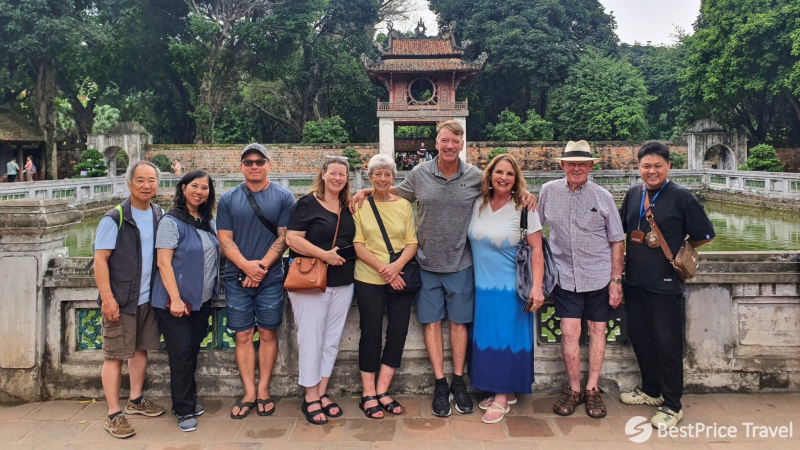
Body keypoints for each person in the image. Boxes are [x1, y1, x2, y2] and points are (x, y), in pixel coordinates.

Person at [350, 120, 536, 417]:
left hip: (462, 263)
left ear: (462, 145)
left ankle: (458, 382)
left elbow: (504, 189)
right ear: (436, 143)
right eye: (444, 141)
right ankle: (440, 383)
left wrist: (524, 195)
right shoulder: (420, 174)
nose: (449, 146)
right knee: (432, 323)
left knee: (460, 324)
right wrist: (364, 193)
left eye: (455, 141)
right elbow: (391, 190)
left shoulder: (476, 176)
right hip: (425, 264)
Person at [618, 141, 714, 429]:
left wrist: (676, 249)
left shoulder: (681, 197)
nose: (652, 171)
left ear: (668, 166)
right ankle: (650, 390)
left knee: (668, 345)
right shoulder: (634, 193)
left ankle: (672, 405)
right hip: (634, 282)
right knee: (641, 339)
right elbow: (623, 229)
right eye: (646, 166)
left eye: (658, 165)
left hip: (665, 283)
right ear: (638, 168)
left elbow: (704, 235)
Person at [537, 140, 625, 419]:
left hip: (598, 276)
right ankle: (573, 389)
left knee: (598, 331)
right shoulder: (548, 192)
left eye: (582, 163)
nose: (576, 168)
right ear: (562, 165)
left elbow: (617, 241)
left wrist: (616, 280)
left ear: (590, 166)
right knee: (569, 330)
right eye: (571, 163)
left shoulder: (603, 197)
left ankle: (593, 389)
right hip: (564, 276)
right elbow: (535, 231)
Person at [216, 143, 296, 419]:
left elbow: (285, 237)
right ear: (241, 167)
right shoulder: (228, 199)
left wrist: (259, 268)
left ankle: (264, 389)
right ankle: (249, 390)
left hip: (270, 277)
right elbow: (224, 239)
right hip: (237, 276)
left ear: (268, 165)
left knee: (268, 332)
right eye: (248, 162)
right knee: (242, 335)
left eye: (259, 161)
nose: (254, 166)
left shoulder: (284, 197)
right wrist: (247, 267)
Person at [468, 154, 545, 424]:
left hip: (511, 288)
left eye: (510, 174)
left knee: (506, 339)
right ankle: (505, 389)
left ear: (516, 179)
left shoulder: (525, 207)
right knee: (489, 338)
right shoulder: (478, 203)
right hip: (482, 287)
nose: (503, 177)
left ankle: (501, 397)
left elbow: (537, 249)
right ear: (489, 175)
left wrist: (537, 287)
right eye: (499, 172)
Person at [93, 161, 166, 438]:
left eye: (152, 181)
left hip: (147, 298)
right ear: (129, 183)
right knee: (114, 356)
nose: (146, 186)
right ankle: (113, 413)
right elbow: (100, 260)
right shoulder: (115, 218)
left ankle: (135, 400)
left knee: (140, 350)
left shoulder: (159, 214)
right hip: (121, 298)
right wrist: (107, 299)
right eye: (140, 181)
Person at [286, 155, 356, 425]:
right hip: (310, 282)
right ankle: (310, 396)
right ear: (323, 174)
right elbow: (292, 239)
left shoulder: (347, 205)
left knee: (332, 339)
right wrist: (324, 255)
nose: (338, 178)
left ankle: (322, 391)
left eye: (343, 174)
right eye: (333, 173)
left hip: (343, 281)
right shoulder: (307, 204)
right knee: (311, 338)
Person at [152, 170, 219, 432]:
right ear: (182, 188)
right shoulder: (172, 222)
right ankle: (183, 409)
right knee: (180, 353)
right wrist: (176, 298)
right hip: (175, 303)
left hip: (200, 300)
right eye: (194, 186)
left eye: (204, 188)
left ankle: (188, 399)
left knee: (191, 349)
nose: (199, 192)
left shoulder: (206, 220)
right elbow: (163, 262)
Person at [352, 154, 418, 419]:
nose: (381, 179)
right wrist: (385, 270)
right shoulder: (360, 205)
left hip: (400, 274)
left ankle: (382, 390)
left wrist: (396, 267)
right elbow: (358, 244)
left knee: (398, 331)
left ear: (394, 178)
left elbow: (412, 241)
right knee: (370, 332)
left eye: (387, 174)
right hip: (369, 277)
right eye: (377, 174)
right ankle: (367, 393)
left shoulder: (403, 205)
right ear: (369, 178)